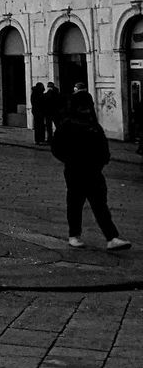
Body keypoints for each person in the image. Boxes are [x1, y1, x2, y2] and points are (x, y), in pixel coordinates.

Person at [51, 89, 129, 251]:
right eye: (84, 106)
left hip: (94, 171)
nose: (87, 109)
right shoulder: (68, 124)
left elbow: (103, 145)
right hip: (75, 171)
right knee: (75, 203)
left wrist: (103, 159)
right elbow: (57, 147)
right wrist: (71, 160)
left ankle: (111, 237)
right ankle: (74, 235)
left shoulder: (93, 124)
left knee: (100, 204)